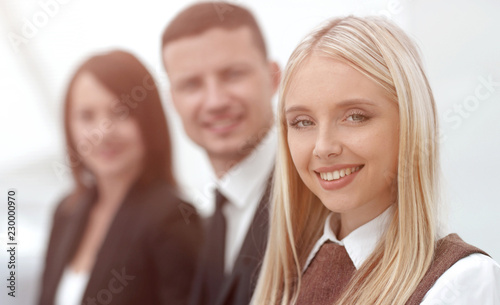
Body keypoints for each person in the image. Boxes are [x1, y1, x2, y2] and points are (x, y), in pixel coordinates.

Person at [252, 16, 500, 305]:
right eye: (303, 122)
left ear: (409, 124)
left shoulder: (461, 282)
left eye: (355, 117)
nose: (323, 147)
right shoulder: (288, 279)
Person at [38, 50, 202, 305]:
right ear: (68, 126)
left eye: (120, 112)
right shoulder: (66, 212)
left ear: (149, 119)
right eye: (87, 116)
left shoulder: (173, 217)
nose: (103, 132)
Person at [161, 2, 280, 305]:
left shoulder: (320, 194)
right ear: (173, 101)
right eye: (191, 84)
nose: (215, 101)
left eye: (233, 74)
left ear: (274, 77)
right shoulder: (213, 214)